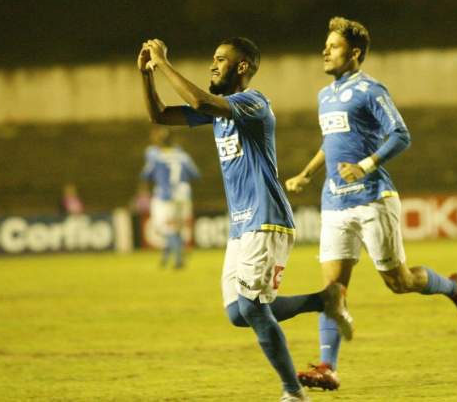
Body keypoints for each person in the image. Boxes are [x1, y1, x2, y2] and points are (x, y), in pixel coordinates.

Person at [138, 36, 354, 402]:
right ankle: (325, 299)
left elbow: (198, 100)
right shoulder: (217, 112)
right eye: (213, 58)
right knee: (238, 313)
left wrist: (162, 62)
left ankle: (293, 392)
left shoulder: (253, 103)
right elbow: (159, 114)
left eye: (220, 60)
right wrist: (144, 72)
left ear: (241, 68)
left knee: (253, 308)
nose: (212, 65)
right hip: (241, 226)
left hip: (267, 219)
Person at [285, 17, 457, 391]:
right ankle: (328, 366)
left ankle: (453, 288)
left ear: (354, 53)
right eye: (325, 44)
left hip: (373, 199)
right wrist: (307, 172)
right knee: (332, 290)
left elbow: (401, 134)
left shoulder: (371, 90)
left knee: (400, 282)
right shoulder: (324, 95)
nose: (325, 50)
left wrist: (366, 164)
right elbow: (331, 140)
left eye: (334, 46)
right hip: (335, 202)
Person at [141, 125, 200, 269]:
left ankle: (179, 257)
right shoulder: (183, 155)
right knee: (177, 228)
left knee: (164, 228)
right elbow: (195, 174)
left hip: (165, 195)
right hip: (183, 195)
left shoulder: (154, 154)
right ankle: (166, 258)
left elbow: (146, 175)